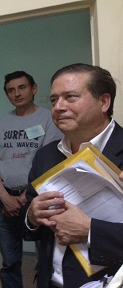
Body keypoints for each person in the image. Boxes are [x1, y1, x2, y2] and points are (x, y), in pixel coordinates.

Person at [22, 63, 123, 287]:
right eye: (53, 99)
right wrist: (31, 215)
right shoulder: (44, 156)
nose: (58, 107)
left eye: (70, 97)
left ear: (104, 102)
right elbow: (27, 223)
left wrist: (90, 231)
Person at [0, 71, 62, 288]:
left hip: (38, 198)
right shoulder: (2, 123)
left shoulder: (49, 119)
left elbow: (49, 163)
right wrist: (4, 196)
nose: (17, 94)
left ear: (34, 89)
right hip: (4, 198)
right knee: (9, 260)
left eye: (22, 88)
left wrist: (24, 197)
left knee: (44, 260)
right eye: (11, 90)